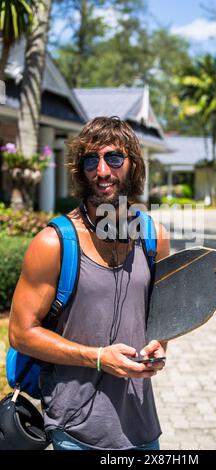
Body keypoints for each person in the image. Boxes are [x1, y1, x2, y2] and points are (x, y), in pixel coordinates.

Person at [8, 116, 170, 451]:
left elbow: (162, 312)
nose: (102, 171)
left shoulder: (154, 237)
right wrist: (97, 357)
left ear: (134, 165)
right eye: (90, 160)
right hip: (75, 431)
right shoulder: (54, 242)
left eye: (113, 158)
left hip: (142, 429)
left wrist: (160, 344)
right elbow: (21, 333)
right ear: (80, 170)